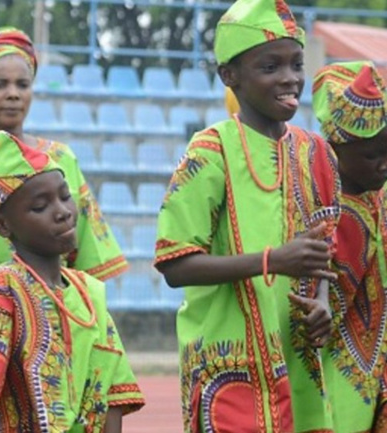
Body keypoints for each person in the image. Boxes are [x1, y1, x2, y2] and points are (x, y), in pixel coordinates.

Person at [154, 0, 341, 431]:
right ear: (230, 76)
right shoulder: (210, 151)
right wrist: (271, 261)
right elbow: (175, 265)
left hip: (299, 365)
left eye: (296, 64)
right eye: (270, 66)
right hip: (229, 367)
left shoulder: (317, 153)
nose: (290, 78)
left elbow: (320, 258)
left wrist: (321, 305)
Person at [0, 130, 145, 433]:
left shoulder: (89, 294)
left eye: (64, 196)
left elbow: (111, 400)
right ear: (1, 224)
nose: (62, 212)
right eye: (39, 206)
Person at [0, 27, 128, 326]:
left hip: (51, 309)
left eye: (23, 84)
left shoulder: (61, 158)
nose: (13, 94)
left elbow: (84, 253)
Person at [312, 61, 387, 432]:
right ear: (336, 150)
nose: (384, 165)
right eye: (374, 155)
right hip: (336, 372)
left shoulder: (379, 199)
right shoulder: (325, 215)